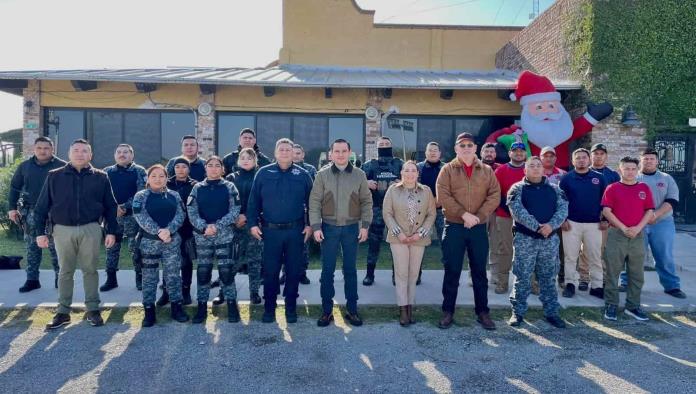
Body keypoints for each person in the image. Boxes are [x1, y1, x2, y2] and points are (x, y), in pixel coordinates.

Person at [36, 139, 118, 329]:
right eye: (76, 150)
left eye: (84, 151)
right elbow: (41, 207)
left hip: (91, 229)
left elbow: (110, 206)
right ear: (69, 153)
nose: (80, 154)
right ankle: (63, 312)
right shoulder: (54, 176)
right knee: (65, 271)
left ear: (90, 155)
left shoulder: (101, 177)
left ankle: (93, 309)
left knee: (90, 270)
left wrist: (111, 231)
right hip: (62, 230)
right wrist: (40, 233)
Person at [436, 132, 500, 330]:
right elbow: (443, 195)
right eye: (462, 145)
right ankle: (448, 311)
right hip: (454, 226)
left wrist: (478, 217)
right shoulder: (447, 170)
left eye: (469, 145)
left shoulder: (487, 170)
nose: (466, 148)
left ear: (475, 148)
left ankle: (483, 312)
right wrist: (464, 214)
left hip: (478, 228)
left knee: (479, 272)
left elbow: (494, 195)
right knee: (452, 271)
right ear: (456, 149)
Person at [247, 138, 313, 324]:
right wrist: (252, 224)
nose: (284, 152)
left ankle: (290, 307)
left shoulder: (303, 175)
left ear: (293, 153)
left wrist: (310, 225)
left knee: (293, 271)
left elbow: (312, 203)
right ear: (275, 153)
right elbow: (253, 202)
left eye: (288, 149)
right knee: (270, 271)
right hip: (270, 232)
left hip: (296, 231)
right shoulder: (263, 173)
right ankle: (269, 308)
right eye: (281, 149)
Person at [310, 139, 372, 327]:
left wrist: (365, 225)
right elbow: (314, 203)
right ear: (331, 154)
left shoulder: (359, 175)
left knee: (350, 270)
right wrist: (316, 226)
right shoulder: (322, 175)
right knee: (327, 271)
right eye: (336, 151)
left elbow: (366, 202)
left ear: (350, 152)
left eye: (344, 151)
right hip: (328, 229)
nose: (340, 154)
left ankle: (352, 310)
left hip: (352, 229)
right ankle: (326, 311)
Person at [507, 156, 568, 328]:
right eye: (531, 166)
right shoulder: (517, 189)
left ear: (543, 170)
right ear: (525, 170)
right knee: (523, 277)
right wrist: (537, 227)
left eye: (538, 166)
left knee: (549, 278)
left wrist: (550, 226)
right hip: (525, 240)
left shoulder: (555, 190)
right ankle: (517, 313)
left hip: (549, 241)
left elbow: (563, 210)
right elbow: (517, 211)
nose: (535, 168)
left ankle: (551, 312)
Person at [132, 164, 189, 327]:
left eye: (161, 176)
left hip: (171, 242)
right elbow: (140, 217)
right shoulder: (140, 196)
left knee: (172, 275)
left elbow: (181, 214)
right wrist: (159, 232)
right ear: (148, 179)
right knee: (150, 277)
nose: (158, 179)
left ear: (166, 178)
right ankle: (149, 311)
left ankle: (176, 308)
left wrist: (169, 231)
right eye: (154, 176)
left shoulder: (174, 195)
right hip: (149, 242)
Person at [187, 156, 241, 324]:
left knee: (226, 272)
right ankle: (202, 307)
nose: (213, 168)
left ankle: (232, 305)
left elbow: (235, 210)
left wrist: (217, 226)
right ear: (206, 169)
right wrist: (204, 227)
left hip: (224, 234)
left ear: (222, 169)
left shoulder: (230, 187)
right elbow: (191, 210)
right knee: (203, 272)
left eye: (217, 166)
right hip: (203, 236)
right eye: (210, 165)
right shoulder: (197, 188)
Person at [8, 136, 65, 292]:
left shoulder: (63, 166)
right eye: (39, 148)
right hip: (31, 212)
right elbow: (14, 187)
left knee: (57, 248)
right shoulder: (25, 166)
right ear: (34, 149)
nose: (42, 151)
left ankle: (60, 280)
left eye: (46, 148)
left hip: (55, 213)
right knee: (32, 247)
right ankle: (32, 280)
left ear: (52, 149)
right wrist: (12, 208)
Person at [601, 156, 655, 321]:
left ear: (637, 170)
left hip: (637, 236)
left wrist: (638, 228)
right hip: (617, 234)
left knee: (637, 273)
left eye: (633, 169)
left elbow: (649, 211)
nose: (630, 172)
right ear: (620, 170)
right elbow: (606, 211)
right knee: (612, 272)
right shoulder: (612, 188)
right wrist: (624, 228)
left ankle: (633, 306)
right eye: (626, 169)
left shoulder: (644, 188)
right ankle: (611, 305)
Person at [383, 161, 436, 326]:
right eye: (407, 170)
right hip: (398, 238)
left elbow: (431, 215)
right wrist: (399, 234)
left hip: (418, 239)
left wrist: (419, 234)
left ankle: (410, 305)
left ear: (417, 173)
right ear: (401, 173)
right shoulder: (393, 190)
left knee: (413, 274)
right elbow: (387, 213)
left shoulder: (426, 191)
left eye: (413, 170)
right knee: (401, 274)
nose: (410, 173)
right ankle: (403, 309)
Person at [634, 148, 686, 299]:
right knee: (634, 255)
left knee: (664, 255)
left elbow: (672, 200)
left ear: (657, 161)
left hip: (662, 222)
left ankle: (672, 286)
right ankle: (627, 282)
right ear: (641, 160)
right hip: (638, 223)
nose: (649, 161)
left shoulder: (666, 178)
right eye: (646, 158)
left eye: (652, 158)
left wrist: (655, 214)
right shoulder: (634, 178)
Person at [559, 148, 606, 299]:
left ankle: (597, 286)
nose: (581, 160)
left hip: (594, 224)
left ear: (589, 160)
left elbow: (606, 202)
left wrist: (605, 219)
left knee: (595, 256)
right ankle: (570, 284)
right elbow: (560, 201)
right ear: (573, 161)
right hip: (571, 223)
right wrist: (563, 220)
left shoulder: (599, 178)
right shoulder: (566, 178)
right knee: (570, 256)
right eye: (577, 158)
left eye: (584, 157)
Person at [100, 144, 147, 292]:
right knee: (111, 248)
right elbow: (101, 193)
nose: (122, 154)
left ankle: (140, 278)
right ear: (115, 155)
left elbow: (142, 193)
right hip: (112, 218)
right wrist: (114, 208)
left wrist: (125, 206)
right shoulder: (106, 172)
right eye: (119, 152)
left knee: (136, 249)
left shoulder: (139, 171)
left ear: (132, 155)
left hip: (133, 217)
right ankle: (111, 279)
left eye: (125, 152)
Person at [361, 136, 403, 286]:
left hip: (396, 210)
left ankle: (396, 275)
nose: (384, 146)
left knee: (397, 244)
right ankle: (369, 274)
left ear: (392, 146)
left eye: (387, 144)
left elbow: (414, 180)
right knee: (374, 243)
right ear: (376, 147)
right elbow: (356, 182)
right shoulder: (369, 165)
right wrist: (366, 182)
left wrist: (402, 182)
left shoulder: (400, 164)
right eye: (381, 144)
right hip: (377, 209)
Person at [224, 148, 264, 305]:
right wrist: (235, 217)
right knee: (231, 261)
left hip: (254, 225)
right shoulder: (230, 178)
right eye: (243, 157)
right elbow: (225, 202)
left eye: (250, 157)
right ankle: (225, 292)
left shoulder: (260, 177)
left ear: (255, 161)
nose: (246, 160)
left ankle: (254, 292)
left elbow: (263, 201)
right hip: (234, 226)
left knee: (254, 261)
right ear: (238, 160)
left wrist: (248, 216)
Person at [158, 158, 197, 306]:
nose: (180, 169)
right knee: (168, 262)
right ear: (173, 169)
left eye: (184, 167)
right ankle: (166, 292)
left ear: (189, 169)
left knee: (186, 261)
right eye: (177, 167)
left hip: (187, 229)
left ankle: (185, 291)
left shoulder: (194, 185)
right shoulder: (166, 184)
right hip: (168, 229)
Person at [490, 142, 527, 294]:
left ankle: (527, 282)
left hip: (527, 218)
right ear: (510, 153)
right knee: (504, 249)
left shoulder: (530, 169)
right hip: (505, 215)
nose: (518, 153)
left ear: (525, 153)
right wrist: (509, 208)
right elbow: (494, 192)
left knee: (526, 250)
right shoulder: (501, 170)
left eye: (521, 151)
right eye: (515, 151)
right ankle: (502, 282)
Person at [279, 143, 317, 286]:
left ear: (303, 155)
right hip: (287, 213)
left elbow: (313, 191)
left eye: (298, 153)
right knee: (284, 247)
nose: (295, 155)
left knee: (303, 246)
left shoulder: (310, 169)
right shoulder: (282, 168)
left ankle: (302, 273)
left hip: (304, 214)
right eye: (293, 153)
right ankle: (285, 273)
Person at [417, 141, 445, 249]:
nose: (432, 153)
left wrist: (439, 199)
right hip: (422, 209)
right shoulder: (418, 168)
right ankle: (417, 266)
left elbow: (450, 187)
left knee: (445, 240)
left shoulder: (446, 168)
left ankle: (448, 265)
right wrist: (429, 202)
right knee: (420, 241)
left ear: (439, 153)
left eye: (435, 150)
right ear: (425, 153)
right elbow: (414, 187)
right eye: (430, 150)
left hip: (442, 209)